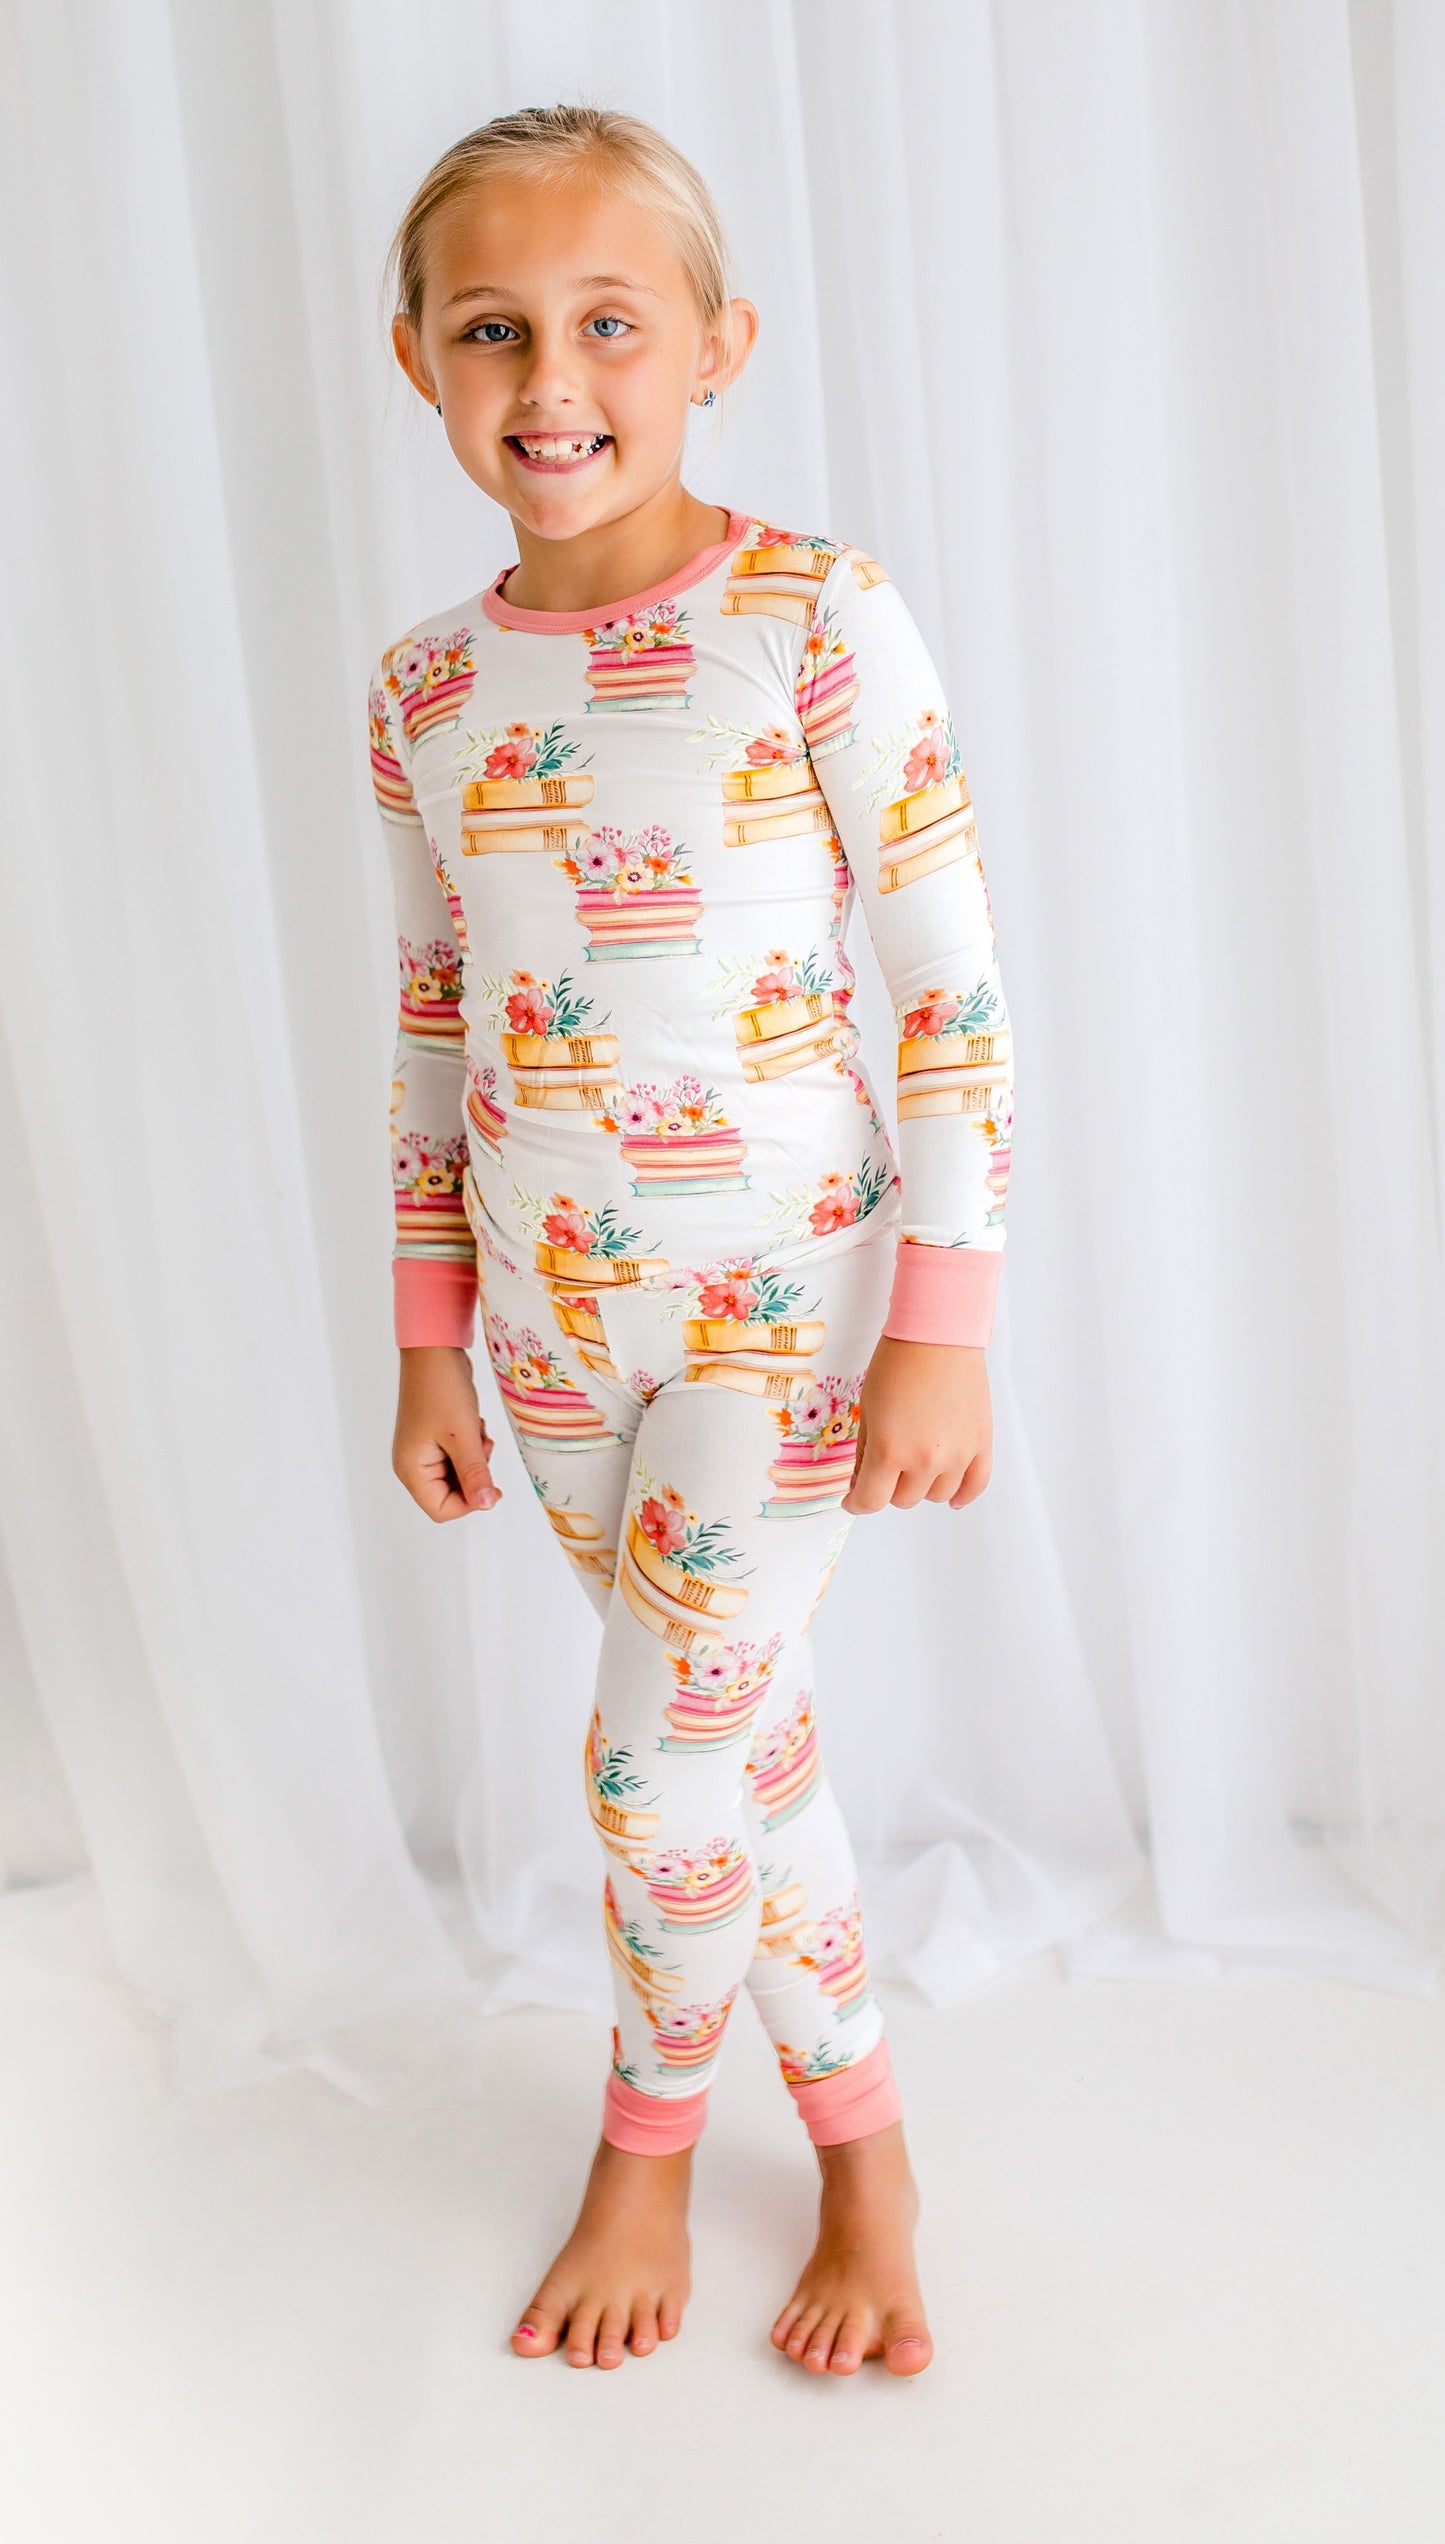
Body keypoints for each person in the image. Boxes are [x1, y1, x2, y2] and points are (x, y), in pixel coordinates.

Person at [374, 102, 1013, 2379]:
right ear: (419, 362)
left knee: (653, 1768)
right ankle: (862, 2156)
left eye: (609, 324)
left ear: (716, 344)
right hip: (557, 1346)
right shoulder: (429, 692)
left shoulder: (813, 616)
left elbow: (948, 987)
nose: (552, 379)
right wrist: (434, 1340)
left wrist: (942, 1321)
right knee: (741, 1763)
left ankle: (646, 2137)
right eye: (493, 330)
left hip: (785, 1319)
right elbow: (442, 1019)